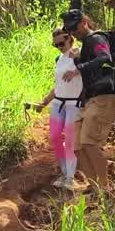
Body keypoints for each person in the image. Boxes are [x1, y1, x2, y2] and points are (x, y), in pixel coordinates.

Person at [60, 8, 115, 186]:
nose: (73, 33)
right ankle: (95, 187)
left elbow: (105, 57)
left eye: (75, 28)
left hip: (103, 96)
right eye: (70, 30)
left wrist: (79, 67)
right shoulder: (85, 44)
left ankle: (104, 187)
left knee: (89, 143)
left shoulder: (96, 38)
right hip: (89, 99)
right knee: (76, 146)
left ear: (84, 22)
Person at [27, 27, 83, 189]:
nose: (59, 46)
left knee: (70, 140)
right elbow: (57, 85)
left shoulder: (79, 55)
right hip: (58, 102)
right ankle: (65, 172)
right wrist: (44, 102)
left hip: (74, 103)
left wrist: (78, 65)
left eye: (61, 43)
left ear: (70, 39)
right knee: (54, 137)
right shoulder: (58, 59)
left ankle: (70, 177)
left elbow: (90, 65)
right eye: (55, 44)